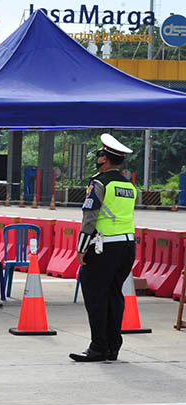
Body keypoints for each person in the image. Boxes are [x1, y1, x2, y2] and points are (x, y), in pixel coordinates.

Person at [70, 133, 136, 362]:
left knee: (95, 295)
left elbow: (90, 217)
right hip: (127, 247)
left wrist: (80, 248)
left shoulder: (99, 182)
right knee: (114, 295)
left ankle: (98, 347)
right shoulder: (128, 185)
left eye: (99, 155)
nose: (98, 158)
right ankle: (112, 347)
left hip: (104, 247)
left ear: (105, 159)